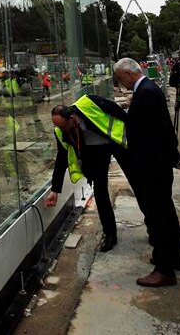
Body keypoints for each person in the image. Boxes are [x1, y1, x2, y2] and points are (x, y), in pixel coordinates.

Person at [112, 58, 180, 287]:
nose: (120, 84)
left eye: (119, 79)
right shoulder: (147, 89)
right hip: (155, 162)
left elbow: (162, 128)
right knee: (165, 210)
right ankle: (174, 257)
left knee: (158, 214)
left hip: (153, 164)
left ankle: (164, 269)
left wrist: (173, 155)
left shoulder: (145, 92)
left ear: (127, 73)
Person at [45, 95, 130, 252]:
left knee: (137, 181)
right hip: (94, 151)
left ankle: (153, 226)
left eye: (64, 126)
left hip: (115, 142)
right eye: (59, 127)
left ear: (72, 118)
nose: (62, 130)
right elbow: (62, 158)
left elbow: (117, 112)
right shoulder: (62, 131)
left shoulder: (88, 104)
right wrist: (55, 190)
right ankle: (110, 234)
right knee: (100, 191)